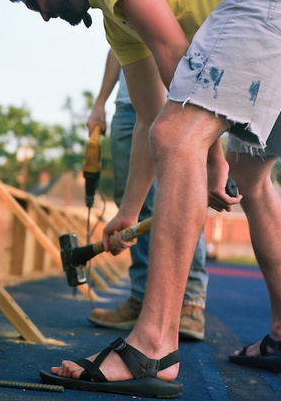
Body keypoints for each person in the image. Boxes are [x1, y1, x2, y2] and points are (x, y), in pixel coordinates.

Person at [3, 0, 281, 398]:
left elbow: (177, 59)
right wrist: (129, 211)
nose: (42, 16)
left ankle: (153, 345)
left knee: (181, 136)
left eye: (32, 0)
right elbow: (152, 115)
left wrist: (210, 158)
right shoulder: (116, 23)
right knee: (247, 170)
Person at [88, 48, 208, 342]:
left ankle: (190, 303)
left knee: (176, 195)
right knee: (130, 198)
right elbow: (119, 47)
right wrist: (100, 101)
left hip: (175, 94)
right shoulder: (116, 10)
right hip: (127, 101)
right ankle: (141, 296)